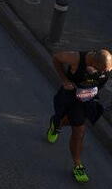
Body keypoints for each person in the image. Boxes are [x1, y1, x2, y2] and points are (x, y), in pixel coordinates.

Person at [46, 49, 112, 184]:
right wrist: (64, 80)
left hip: (87, 98)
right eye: (103, 70)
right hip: (70, 97)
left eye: (108, 70)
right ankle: (77, 164)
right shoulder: (75, 58)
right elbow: (56, 58)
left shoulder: (106, 65)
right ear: (93, 63)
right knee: (79, 130)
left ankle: (57, 124)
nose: (105, 73)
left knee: (77, 126)